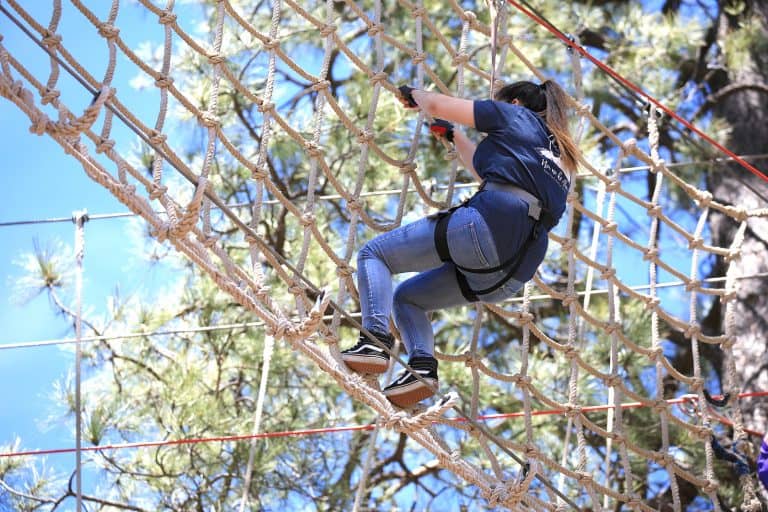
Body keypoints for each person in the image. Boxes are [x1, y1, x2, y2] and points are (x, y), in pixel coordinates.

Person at [341, 80, 579, 407]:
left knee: (374, 254)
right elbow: (492, 173)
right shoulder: (560, 159)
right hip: (512, 274)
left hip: (485, 227)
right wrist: (455, 136)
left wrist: (417, 97)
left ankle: (374, 341)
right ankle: (422, 368)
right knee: (407, 299)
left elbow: (438, 105)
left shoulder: (513, 115)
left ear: (516, 102)